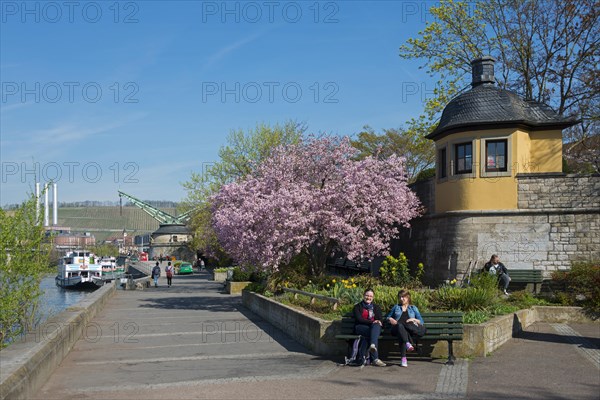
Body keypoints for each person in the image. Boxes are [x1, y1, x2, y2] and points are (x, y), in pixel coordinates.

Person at [385, 289, 426, 367]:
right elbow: (388, 317)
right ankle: (408, 344)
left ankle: (404, 358)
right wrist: (390, 319)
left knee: (403, 334)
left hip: (408, 329)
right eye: (400, 297)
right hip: (396, 329)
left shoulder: (413, 308)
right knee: (400, 326)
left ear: (408, 297)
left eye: (403, 297)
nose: (401, 299)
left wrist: (413, 319)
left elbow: (421, 321)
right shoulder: (396, 307)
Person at [353, 288, 386, 367]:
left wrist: (377, 322)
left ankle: (370, 349)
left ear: (373, 297)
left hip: (373, 327)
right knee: (373, 333)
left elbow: (380, 319)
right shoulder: (357, 307)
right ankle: (375, 359)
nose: (368, 297)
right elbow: (359, 319)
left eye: (371, 296)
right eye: (367, 295)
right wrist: (372, 321)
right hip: (360, 327)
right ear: (363, 295)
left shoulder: (376, 307)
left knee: (376, 326)